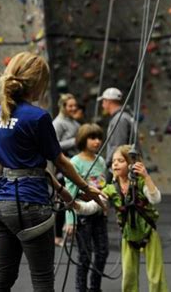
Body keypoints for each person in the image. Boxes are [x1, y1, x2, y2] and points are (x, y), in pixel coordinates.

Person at [0, 51, 106, 291]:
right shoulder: (38, 116)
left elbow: (23, 165)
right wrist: (86, 188)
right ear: (38, 83)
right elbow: (61, 161)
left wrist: (62, 191)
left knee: (0, 279)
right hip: (29, 203)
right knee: (42, 278)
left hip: (1, 202)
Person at [76, 145, 169, 292]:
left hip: (148, 233)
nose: (115, 164)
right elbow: (91, 207)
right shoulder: (110, 189)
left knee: (155, 276)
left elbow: (155, 199)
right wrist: (74, 204)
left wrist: (146, 176)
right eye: (114, 161)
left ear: (131, 164)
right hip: (128, 236)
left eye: (120, 160)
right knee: (128, 277)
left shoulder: (140, 183)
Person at [64, 123, 108, 292]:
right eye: (92, 138)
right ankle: (80, 289)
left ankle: (94, 287)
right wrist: (70, 220)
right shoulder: (75, 162)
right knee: (85, 255)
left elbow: (103, 186)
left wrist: (104, 206)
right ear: (83, 139)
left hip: (98, 213)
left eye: (99, 138)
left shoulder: (101, 160)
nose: (97, 141)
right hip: (81, 214)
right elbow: (70, 191)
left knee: (103, 252)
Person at [52, 93, 80, 246]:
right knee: (63, 200)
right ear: (63, 107)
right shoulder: (58, 123)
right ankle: (57, 236)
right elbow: (54, 146)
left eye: (74, 105)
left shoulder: (73, 122)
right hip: (64, 166)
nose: (73, 108)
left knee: (74, 198)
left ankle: (70, 230)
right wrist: (74, 141)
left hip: (75, 165)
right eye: (70, 106)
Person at [97, 87, 135, 176]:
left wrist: (106, 164)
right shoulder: (123, 116)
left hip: (122, 168)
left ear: (108, 102)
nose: (102, 105)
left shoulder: (119, 119)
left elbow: (118, 146)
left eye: (103, 102)